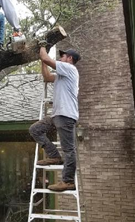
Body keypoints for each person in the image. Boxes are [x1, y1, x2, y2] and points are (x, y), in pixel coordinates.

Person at [29, 44, 81, 191]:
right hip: (57, 115)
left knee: (69, 149)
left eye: (62, 56)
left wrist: (42, 45)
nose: (60, 58)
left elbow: (46, 57)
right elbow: (46, 77)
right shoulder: (61, 76)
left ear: (69, 59)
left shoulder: (71, 69)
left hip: (66, 115)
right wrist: (41, 61)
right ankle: (54, 156)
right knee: (35, 129)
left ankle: (68, 181)